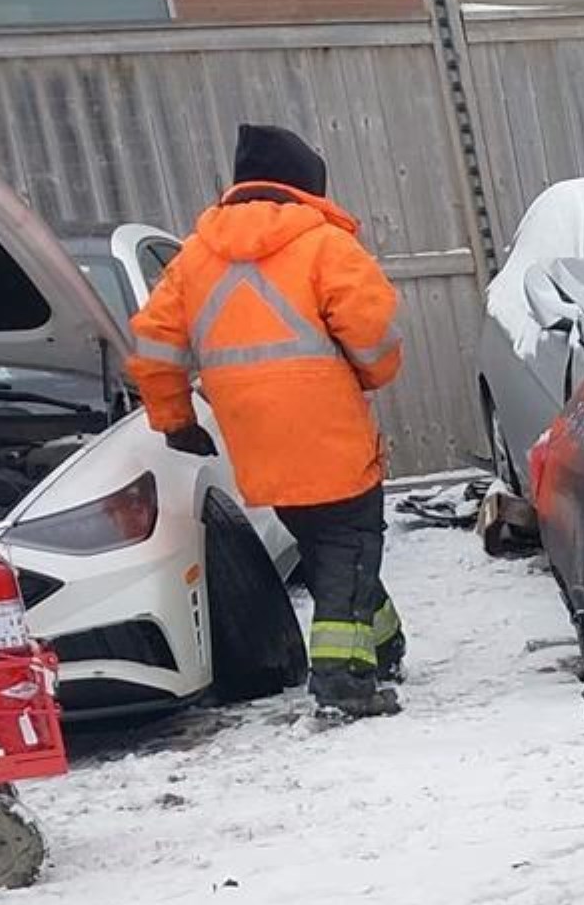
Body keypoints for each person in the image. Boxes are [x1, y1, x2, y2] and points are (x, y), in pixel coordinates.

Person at [126, 124, 408, 720]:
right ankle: (343, 684)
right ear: (305, 185)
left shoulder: (194, 259)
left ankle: (385, 644)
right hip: (332, 437)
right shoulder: (325, 246)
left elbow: (153, 345)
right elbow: (373, 331)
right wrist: (374, 374)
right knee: (350, 547)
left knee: (329, 549)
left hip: (258, 446)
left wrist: (176, 421)